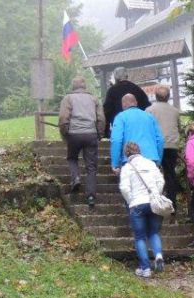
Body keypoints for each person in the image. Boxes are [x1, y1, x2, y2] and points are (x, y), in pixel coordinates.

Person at [118, 141, 165, 278]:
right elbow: (160, 181)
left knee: (140, 237)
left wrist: (130, 201)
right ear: (139, 150)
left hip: (137, 204)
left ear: (127, 153)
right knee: (153, 232)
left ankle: (145, 269)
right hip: (153, 203)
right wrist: (156, 195)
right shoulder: (150, 163)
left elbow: (124, 188)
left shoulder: (126, 167)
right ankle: (158, 254)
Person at [57, 75, 105, 208]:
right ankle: (90, 196)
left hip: (74, 134)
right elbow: (101, 117)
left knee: (72, 158)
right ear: (85, 86)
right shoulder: (94, 98)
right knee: (91, 167)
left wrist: (65, 133)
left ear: (73, 86)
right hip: (91, 134)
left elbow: (63, 118)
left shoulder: (68, 98)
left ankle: (75, 178)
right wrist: (99, 133)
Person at [110, 94, 164, 175]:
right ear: (136, 103)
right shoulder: (150, 117)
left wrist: (115, 164)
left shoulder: (120, 117)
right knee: (151, 186)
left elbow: (116, 140)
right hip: (151, 159)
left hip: (130, 161)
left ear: (123, 105)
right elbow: (160, 139)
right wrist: (158, 160)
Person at [148, 86, 182, 214]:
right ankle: (172, 204)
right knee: (170, 174)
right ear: (168, 97)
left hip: (155, 146)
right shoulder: (175, 111)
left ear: (155, 96)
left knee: (153, 174)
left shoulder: (149, 110)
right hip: (172, 145)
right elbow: (179, 127)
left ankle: (155, 203)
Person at [102, 67, 150, 138]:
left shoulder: (112, 91)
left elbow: (107, 111)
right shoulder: (136, 88)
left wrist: (106, 131)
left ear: (116, 78)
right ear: (126, 76)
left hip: (119, 126)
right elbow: (147, 106)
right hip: (137, 125)